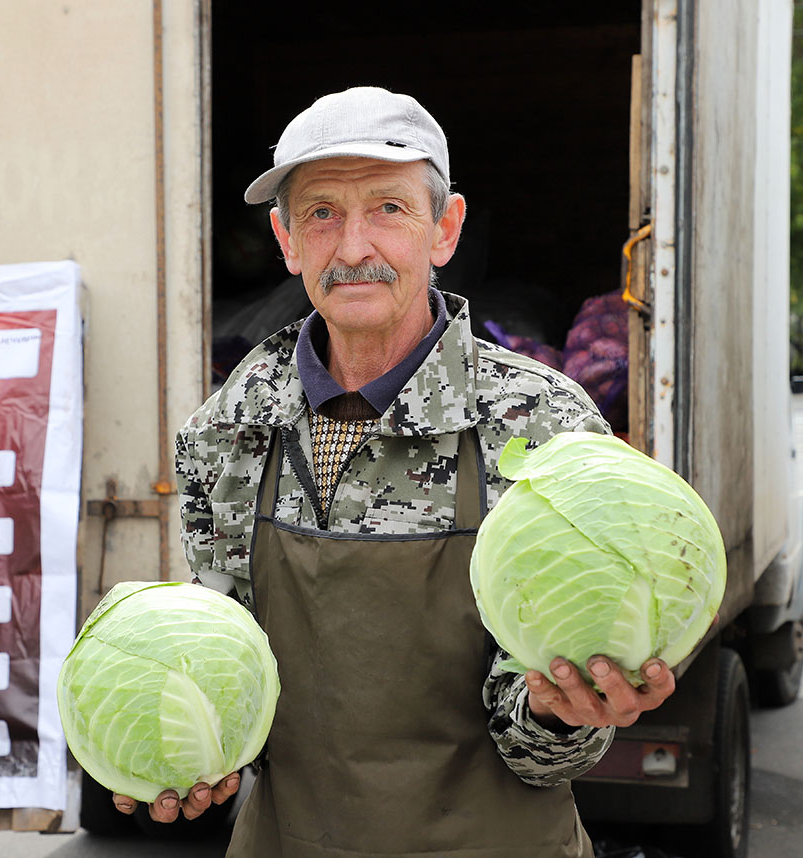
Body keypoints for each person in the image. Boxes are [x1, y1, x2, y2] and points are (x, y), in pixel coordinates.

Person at [112, 86, 677, 857]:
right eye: (321, 214)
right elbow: (226, 651)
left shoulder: (540, 422)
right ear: (286, 241)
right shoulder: (228, 427)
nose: (352, 250)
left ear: (444, 230)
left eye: (387, 208)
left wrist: (560, 713)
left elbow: (543, 738)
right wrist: (182, 753)